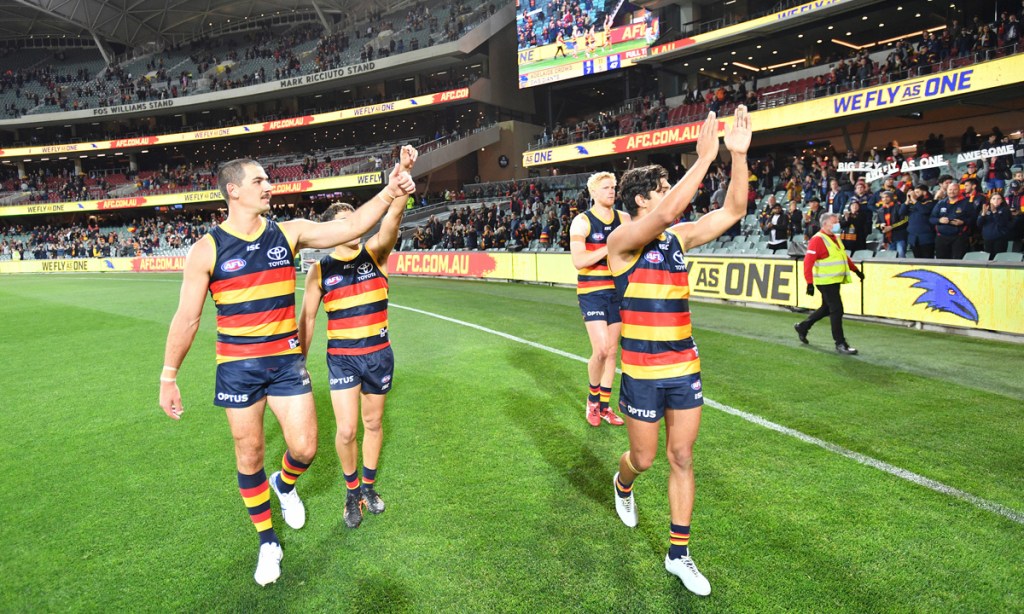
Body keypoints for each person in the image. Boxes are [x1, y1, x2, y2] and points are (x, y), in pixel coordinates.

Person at [158, 155, 416, 586]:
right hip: (237, 368)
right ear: (233, 190)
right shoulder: (207, 248)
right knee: (250, 454)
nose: (269, 186)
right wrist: (169, 375)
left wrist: (391, 190)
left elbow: (348, 229)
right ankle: (267, 542)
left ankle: (285, 484)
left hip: (284, 364)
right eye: (259, 180)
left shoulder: (289, 232)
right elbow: (187, 318)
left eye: (269, 179)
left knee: (306, 448)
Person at [607, 107, 752, 597]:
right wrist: (703, 158)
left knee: (682, 456)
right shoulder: (620, 243)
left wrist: (737, 157)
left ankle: (679, 554)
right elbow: (668, 211)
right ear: (641, 200)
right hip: (642, 373)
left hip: (684, 367)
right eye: (661, 188)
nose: (669, 197)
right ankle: (623, 482)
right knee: (644, 459)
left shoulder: (678, 239)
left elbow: (733, 211)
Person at [298, 146, 417, 530]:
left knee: (373, 424)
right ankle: (351, 493)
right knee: (347, 429)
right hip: (343, 358)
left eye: (357, 220)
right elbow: (308, 318)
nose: (357, 228)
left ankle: (368, 486)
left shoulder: (377, 255)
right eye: (348, 222)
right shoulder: (319, 272)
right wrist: (297, 363)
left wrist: (400, 180)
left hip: (379, 354)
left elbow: (393, 219)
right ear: (333, 231)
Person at [569, 171, 631, 426]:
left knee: (612, 351)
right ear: (593, 192)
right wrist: (610, 246)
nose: (611, 191)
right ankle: (593, 400)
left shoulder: (624, 218)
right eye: (605, 188)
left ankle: (604, 407)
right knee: (601, 349)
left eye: (613, 187)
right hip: (592, 292)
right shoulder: (582, 221)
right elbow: (579, 261)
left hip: (617, 291)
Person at [794, 212, 863, 355]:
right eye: (834, 222)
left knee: (827, 308)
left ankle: (803, 326)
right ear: (825, 224)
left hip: (833, 280)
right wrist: (809, 283)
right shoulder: (817, 240)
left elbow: (843, 256)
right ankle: (840, 343)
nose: (838, 224)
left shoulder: (834, 238)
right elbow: (808, 262)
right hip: (825, 281)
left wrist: (855, 270)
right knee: (837, 309)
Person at [930, 182, 975, 259]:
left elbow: (973, 219)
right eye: (950, 189)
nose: (952, 191)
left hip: (959, 237)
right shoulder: (940, 203)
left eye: (955, 189)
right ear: (947, 190)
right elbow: (931, 219)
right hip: (941, 238)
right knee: (941, 262)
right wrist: (939, 220)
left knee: (958, 262)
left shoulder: (966, 203)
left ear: (959, 190)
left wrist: (963, 222)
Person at [874, 190, 908, 257]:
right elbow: (876, 224)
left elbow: (905, 220)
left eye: (887, 197)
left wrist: (891, 227)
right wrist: (880, 225)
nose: (885, 199)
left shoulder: (898, 207)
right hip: (888, 238)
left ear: (891, 197)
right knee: (891, 257)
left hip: (900, 236)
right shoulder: (880, 210)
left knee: (901, 255)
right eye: (883, 197)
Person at [906, 184, 936, 259]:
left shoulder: (931, 202)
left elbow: (925, 211)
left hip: (926, 238)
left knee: (928, 260)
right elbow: (901, 212)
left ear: (924, 192)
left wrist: (914, 200)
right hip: (913, 238)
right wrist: (907, 201)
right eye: (914, 192)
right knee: (917, 260)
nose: (915, 194)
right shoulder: (913, 203)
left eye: (917, 192)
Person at [978, 192, 1012, 257]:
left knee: (999, 258)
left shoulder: (1005, 210)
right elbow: (979, 224)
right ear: (990, 200)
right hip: (987, 238)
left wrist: (995, 212)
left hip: (1000, 239)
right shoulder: (986, 209)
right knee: (988, 258)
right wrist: (982, 215)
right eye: (993, 199)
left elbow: (1002, 223)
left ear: (1002, 200)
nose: (996, 201)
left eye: (998, 199)